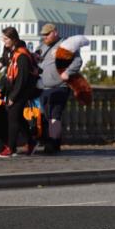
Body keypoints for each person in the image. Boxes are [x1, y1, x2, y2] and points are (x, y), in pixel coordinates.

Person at [35, 23, 91, 154]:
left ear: (55, 32)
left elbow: (77, 61)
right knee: (46, 116)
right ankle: (53, 142)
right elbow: (35, 59)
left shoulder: (66, 44)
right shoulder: (42, 46)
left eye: (47, 34)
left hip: (60, 86)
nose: (45, 37)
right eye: (43, 35)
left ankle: (52, 144)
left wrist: (68, 72)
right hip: (43, 87)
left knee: (55, 115)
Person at [0, 26, 39, 158]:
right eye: (3, 38)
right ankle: (31, 141)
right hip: (14, 88)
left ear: (13, 39)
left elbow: (22, 80)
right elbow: (3, 60)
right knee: (16, 117)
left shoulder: (22, 55)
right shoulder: (8, 49)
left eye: (6, 39)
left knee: (12, 116)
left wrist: (13, 97)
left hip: (23, 90)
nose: (4, 41)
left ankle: (11, 149)